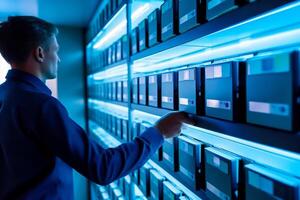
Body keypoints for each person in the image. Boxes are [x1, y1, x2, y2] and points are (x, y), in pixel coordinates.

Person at [0, 16, 194, 199]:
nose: (58, 58)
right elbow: (102, 168)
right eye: (56, 50)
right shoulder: (41, 105)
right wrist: (159, 132)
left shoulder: (5, 95)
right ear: (40, 53)